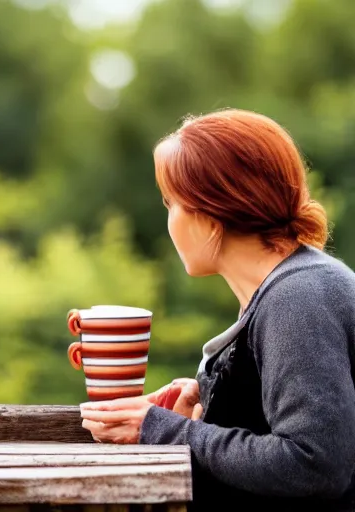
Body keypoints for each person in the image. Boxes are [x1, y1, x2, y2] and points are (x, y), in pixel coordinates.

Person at [80, 109, 355, 511]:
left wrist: (161, 429)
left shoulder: (298, 297)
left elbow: (314, 464)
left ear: (210, 212)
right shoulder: (290, 286)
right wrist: (213, 395)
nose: (169, 220)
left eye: (171, 203)